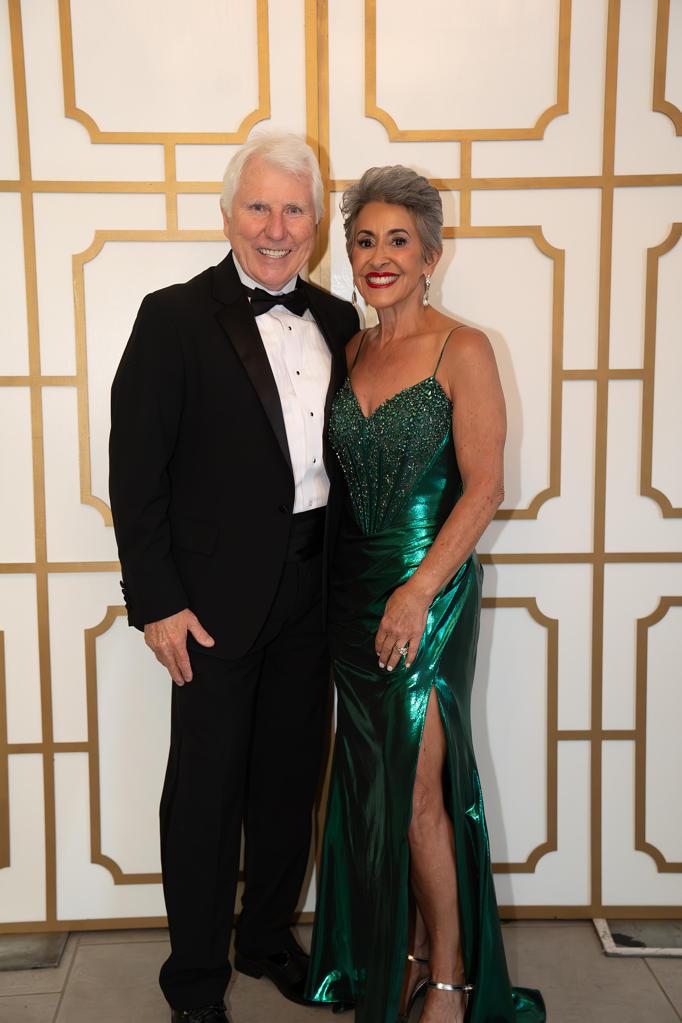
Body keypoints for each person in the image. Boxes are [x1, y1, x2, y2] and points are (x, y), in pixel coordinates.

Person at [108, 132, 359, 1023]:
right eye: (259, 206)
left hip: (314, 590)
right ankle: (194, 980)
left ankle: (266, 940)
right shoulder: (172, 317)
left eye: (295, 209)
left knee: (290, 781)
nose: (277, 227)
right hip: (209, 604)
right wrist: (157, 601)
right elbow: (136, 471)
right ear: (227, 215)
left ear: (316, 224)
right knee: (205, 797)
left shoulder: (341, 322)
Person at [305, 166, 546, 1023]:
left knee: (417, 795)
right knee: (373, 792)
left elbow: (485, 489)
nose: (379, 257)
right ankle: (401, 952)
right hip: (351, 601)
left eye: (398, 241)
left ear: (430, 255)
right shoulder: (350, 352)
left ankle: (449, 975)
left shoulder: (462, 348)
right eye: (364, 241)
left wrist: (417, 590)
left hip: (427, 598)